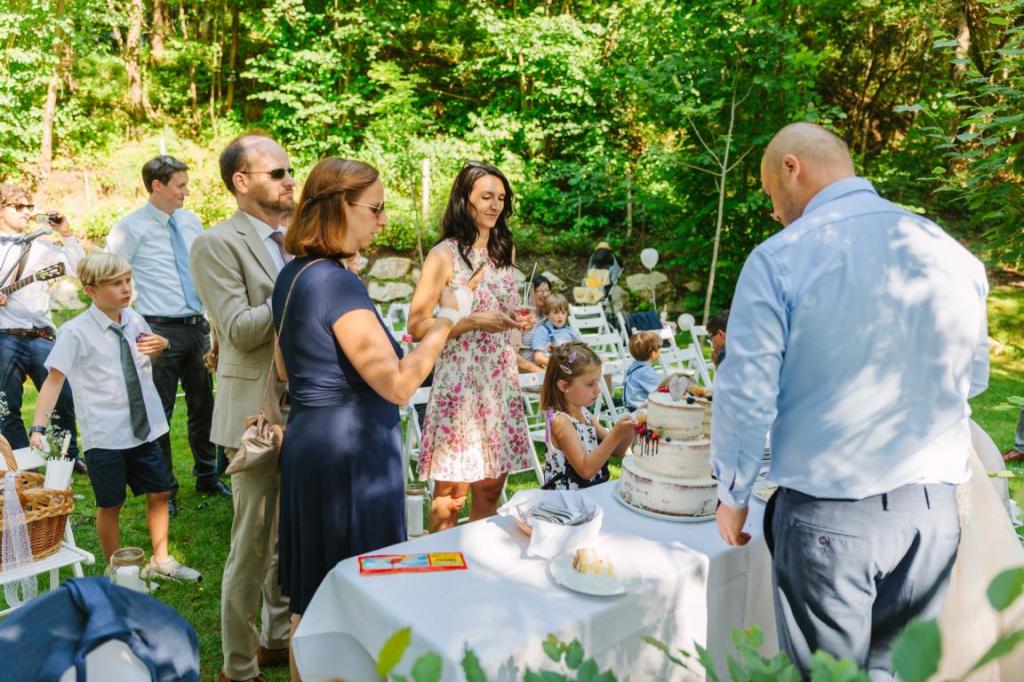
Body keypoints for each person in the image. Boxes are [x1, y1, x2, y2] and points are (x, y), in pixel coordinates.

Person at [711, 122, 988, 678]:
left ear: (792, 167)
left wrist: (733, 492)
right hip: (932, 515)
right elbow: (974, 377)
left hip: (831, 515)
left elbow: (746, 395)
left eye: (769, 193)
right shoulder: (951, 252)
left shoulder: (781, 258)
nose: (773, 210)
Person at [273, 157, 461, 681]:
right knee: (358, 598)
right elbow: (399, 385)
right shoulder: (336, 284)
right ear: (340, 206)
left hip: (311, 444)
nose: (382, 220)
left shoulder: (293, 273)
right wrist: (445, 325)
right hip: (352, 456)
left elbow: (285, 367)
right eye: (374, 209)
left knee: (312, 599)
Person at [190, 132, 295, 682]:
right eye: (277, 173)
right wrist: (301, 281)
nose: (289, 180)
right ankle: (237, 664)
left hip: (304, 407)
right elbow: (238, 329)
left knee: (287, 536)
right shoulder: (215, 244)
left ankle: (277, 640)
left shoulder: (298, 236)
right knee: (251, 543)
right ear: (241, 181)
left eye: (289, 171)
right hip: (255, 412)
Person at [29, 252, 200, 581]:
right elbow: (54, 380)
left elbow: (148, 352)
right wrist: (38, 426)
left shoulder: (134, 319)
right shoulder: (75, 332)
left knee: (160, 491)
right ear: (91, 290)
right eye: (116, 284)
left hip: (145, 429)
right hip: (106, 436)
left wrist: (162, 343)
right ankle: (117, 570)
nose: (126, 289)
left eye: (128, 281)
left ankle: (161, 561)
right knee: (111, 504)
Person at [408, 161, 533, 532]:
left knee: (491, 487)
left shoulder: (504, 251)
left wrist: (515, 320)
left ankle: (480, 559)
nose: (495, 205)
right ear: (465, 200)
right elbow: (417, 325)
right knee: (451, 496)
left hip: (499, 382)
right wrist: (472, 321)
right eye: (486, 197)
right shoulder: (442, 255)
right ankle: (440, 562)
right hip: (459, 385)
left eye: (501, 198)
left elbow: (501, 308)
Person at [107, 156, 227, 517]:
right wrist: (129, 326)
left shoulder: (191, 221)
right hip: (157, 330)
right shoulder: (129, 228)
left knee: (204, 405)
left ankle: (207, 475)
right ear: (157, 186)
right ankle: (165, 487)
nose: (186, 192)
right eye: (180, 186)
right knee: (160, 411)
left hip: (197, 326)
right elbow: (111, 275)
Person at [0, 183, 83, 470]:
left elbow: (80, 271)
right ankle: (23, 462)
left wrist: (66, 234)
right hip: (4, 337)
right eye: (18, 206)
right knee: (6, 404)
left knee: (63, 398)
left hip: (41, 335)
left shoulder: (41, 245)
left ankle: (67, 457)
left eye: (29, 206)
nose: (26, 212)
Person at [540, 342, 634, 490]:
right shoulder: (560, 421)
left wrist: (629, 430)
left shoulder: (584, 412)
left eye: (598, 381)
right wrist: (616, 434)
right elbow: (585, 470)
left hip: (590, 491)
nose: (598, 389)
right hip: (567, 498)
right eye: (590, 384)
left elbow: (617, 451)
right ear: (564, 386)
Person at [531, 294, 582, 368]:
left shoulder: (571, 332)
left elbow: (581, 352)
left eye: (563, 313)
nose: (560, 316)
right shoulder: (542, 331)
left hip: (572, 367)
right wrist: (561, 366)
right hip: (554, 368)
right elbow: (538, 358)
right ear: (546, 314)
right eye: (556, 313)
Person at [514, 273, 550, 373]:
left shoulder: (551, 317)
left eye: (547, 290)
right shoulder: (520, 317)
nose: (545, 294)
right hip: (529, 374)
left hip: (549, 368)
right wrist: (538, 371)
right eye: (541, 291)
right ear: (529, 292)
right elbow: (512, 354)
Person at [622, 330, 663, 410]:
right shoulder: (645, 372)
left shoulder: (635, 366)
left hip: (632, 404)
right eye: (659, 349)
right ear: (653, 353)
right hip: (640, 408)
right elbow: (659, 391)